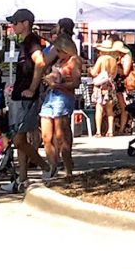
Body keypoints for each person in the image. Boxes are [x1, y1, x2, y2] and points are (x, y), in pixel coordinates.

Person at [8, 8, 49, 187]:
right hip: (19, 95)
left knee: (17, 138)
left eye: (15, 22)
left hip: (26, 98)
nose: (13, 25)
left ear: (25, 23)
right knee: (21, 140)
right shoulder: (24, 43)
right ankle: (22, 178)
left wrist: (32, 88)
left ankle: (45, 166)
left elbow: (40, 62)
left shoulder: (31, 41)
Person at [40, 33, 80, 182]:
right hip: (51, 95)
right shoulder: (58, 62)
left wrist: (57, 84)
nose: (57, 54)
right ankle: (52, 165)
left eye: (59, 50)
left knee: (61, 135)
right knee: (46, 135)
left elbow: (75, 83)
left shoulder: (73, 61)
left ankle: (68, 168)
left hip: (63, 97)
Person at [90, 41, 119, 137]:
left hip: (100, 86)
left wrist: (89, 70)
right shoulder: (114, 60)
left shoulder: (101, 59)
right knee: (110, 109)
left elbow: (94, 72)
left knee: (99, 108)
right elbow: (114, 74)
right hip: (110, 85)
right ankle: (110, 131)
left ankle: (98, 131)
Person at [111, 37, 135, 133]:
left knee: (123, 106)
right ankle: (120, 128)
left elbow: (125, 72)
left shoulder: (126, 57)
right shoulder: (119, 58)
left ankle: (122, 129)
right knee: (119, 107)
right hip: (118, 84)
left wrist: (116, 68)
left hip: (122, 85)